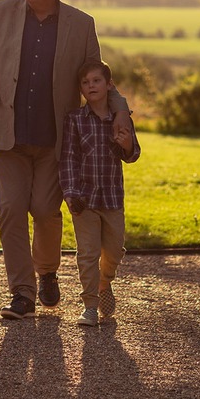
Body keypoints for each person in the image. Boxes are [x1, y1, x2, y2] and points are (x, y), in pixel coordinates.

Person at [0, 0, 132, 320]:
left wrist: (120, 108)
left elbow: (96, 76)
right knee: (11, 210)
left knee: (46, 211)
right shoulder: (0, 12)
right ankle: (22, 293)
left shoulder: (81, 24)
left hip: (56, 139)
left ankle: (46, 270)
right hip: (8, 135)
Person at [61, 59, 139, 327]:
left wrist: (127, 145)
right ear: (81, 89)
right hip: (84, 198)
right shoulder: (75, 120)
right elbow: (68, 159)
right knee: (87, 253)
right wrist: (70, 193)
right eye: (85, 82)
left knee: (115, 251)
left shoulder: (121, 119)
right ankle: (90, 306)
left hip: (113, 197)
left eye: (96, 81)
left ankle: (105, 283)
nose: (91, 86)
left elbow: (133, 155)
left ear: (109, 85)